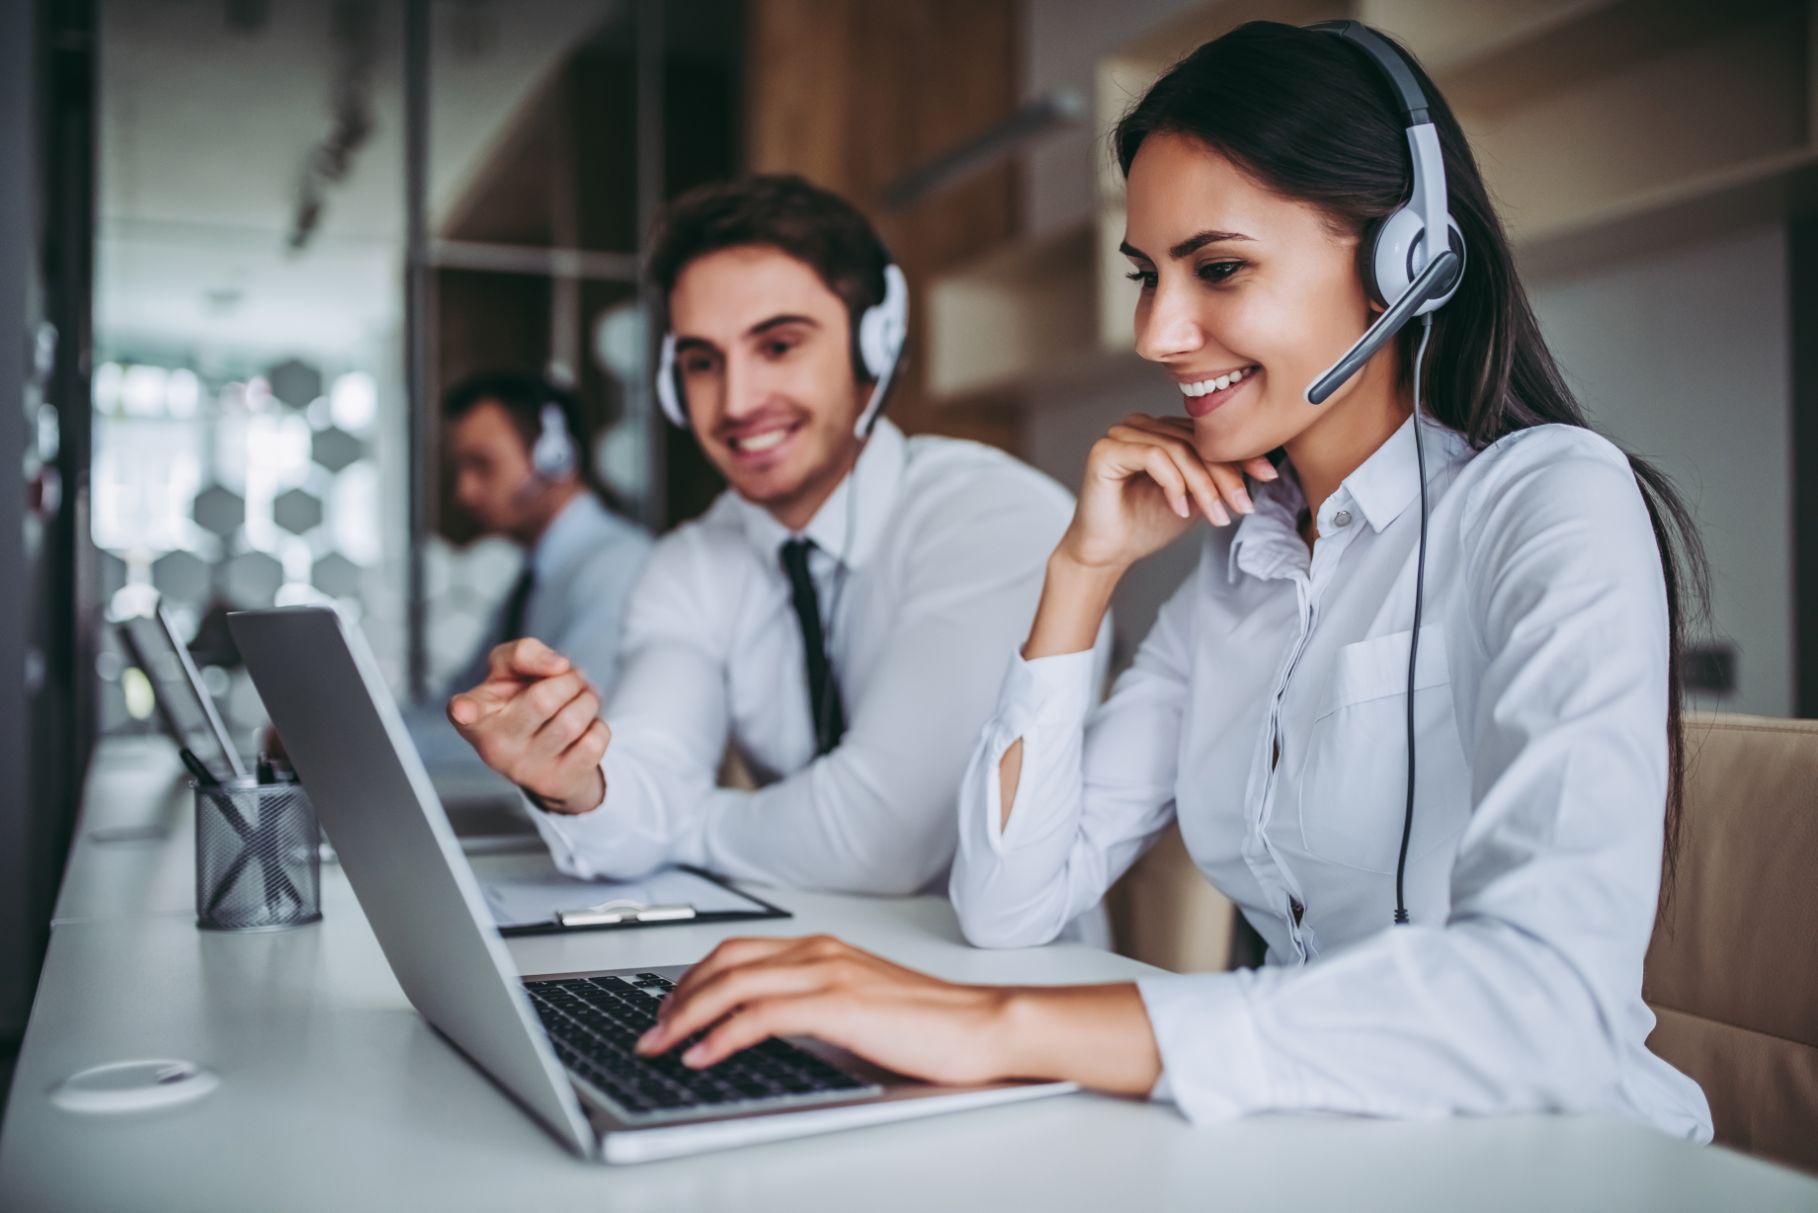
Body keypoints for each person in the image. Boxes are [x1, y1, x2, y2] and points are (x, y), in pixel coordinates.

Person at [629, 21, 1714, 1142]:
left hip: (1566, 1157)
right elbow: (1008, 906)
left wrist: (1001, 1028)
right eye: (1148, 275)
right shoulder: (1238, 567)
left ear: (1408, 258)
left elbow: (1548, 1003)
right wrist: (1083, 569)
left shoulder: (1550, 503)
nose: (1158, 330)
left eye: (1220, 267)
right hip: (1320, 1141)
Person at [447, 175, 1110, 900]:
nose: (735, 402)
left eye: (779, 345)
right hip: (785, 959)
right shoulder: (691, 561)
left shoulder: (997, 518)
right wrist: (580, 782)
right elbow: (648, 775)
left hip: (1007, 984)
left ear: (875, 347)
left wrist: (680, 823)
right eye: (703, 362)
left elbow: (879, 843)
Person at [404, 371, 651, 782]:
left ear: (555, 456)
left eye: (482, 465)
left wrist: (345, 742)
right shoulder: (535, 576)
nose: (464, 492)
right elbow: (457, 705)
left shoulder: (619, 570)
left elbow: (550, 732)